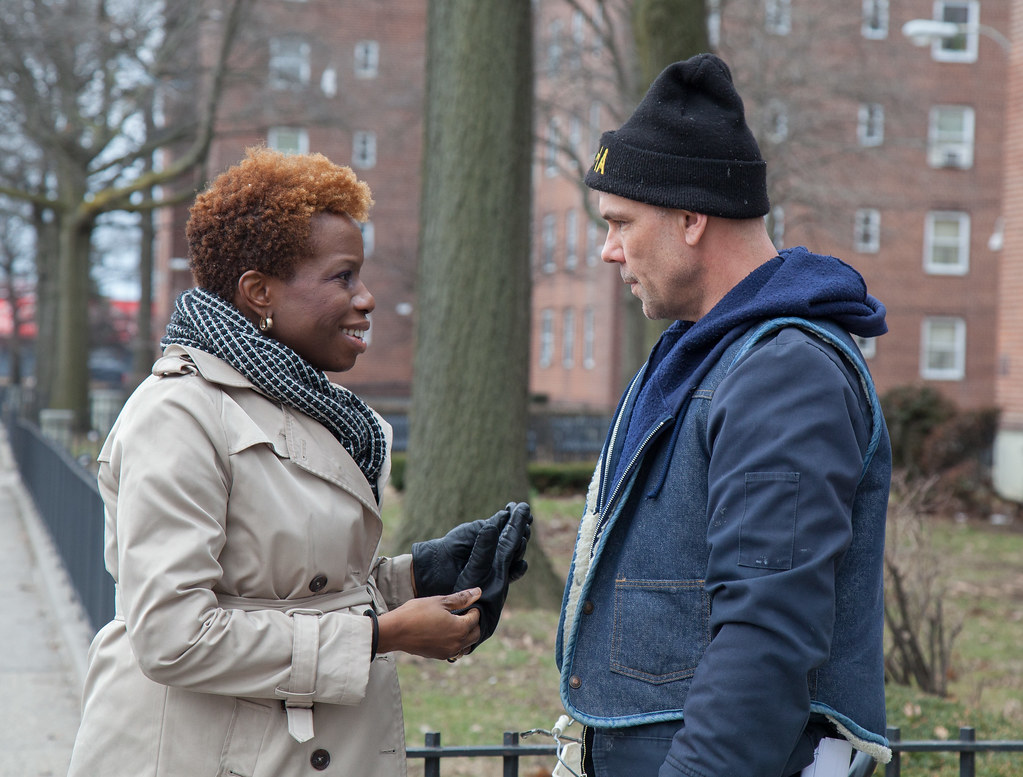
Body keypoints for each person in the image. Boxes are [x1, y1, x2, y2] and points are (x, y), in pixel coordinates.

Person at [68, 147, 531, 777]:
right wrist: (381, 635)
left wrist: (413, 579)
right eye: (343, 277)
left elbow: (288, 587)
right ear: (260, 292)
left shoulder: (305, 403)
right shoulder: (176, 415)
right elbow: (173, 637)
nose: (366, 298)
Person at [555, 53, 892, 777]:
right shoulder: (701, 354)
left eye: (619, 222)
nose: (607, 250)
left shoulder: (783, 372)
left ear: (689, 219)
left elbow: (767, 637)